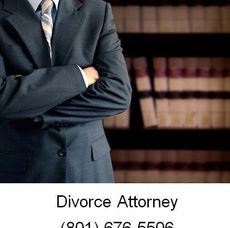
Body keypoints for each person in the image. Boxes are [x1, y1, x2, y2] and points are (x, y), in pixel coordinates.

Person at [0, 0, 132, 182]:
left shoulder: (98, 9)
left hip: (89, 170)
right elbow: (2, 98)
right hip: (21, 171)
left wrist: (32, 109)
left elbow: (118, 93)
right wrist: (80, 77)